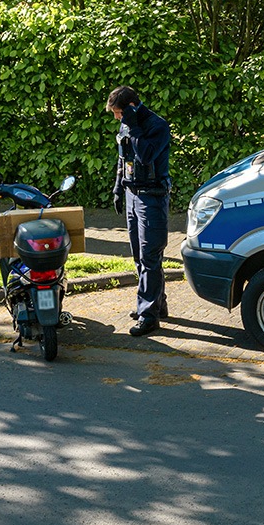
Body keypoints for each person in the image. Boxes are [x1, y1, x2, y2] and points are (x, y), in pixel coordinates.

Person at [107, 86, 171, 337]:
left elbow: (145, 155)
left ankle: (148, 316)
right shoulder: (127, 124)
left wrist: (133, 126)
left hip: (152, 197)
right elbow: (125, 158)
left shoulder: (157, 126)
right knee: (138, 255)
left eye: (119, 113)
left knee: (150, 256)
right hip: (132, 195)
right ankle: (157, 304)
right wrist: (117, 188)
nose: (117, 118)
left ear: (132, 108)